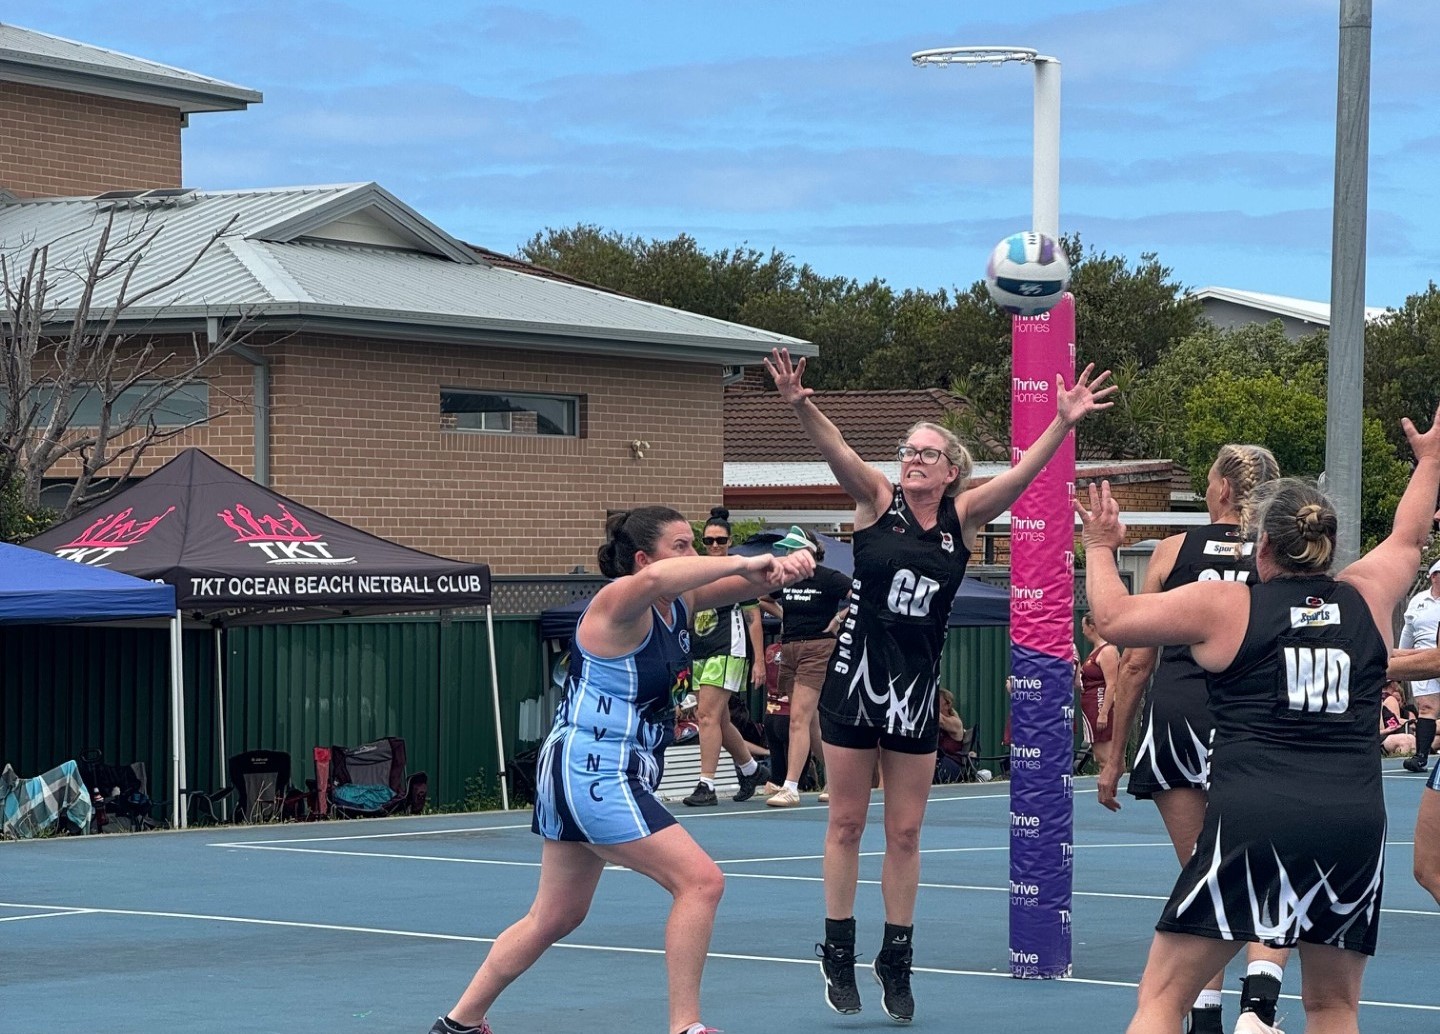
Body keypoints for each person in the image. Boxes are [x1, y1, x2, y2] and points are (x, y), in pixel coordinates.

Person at [765, 345, 1115, 1023]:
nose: (914, 458)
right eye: (909, 449)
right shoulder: (875, 502)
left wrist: (1064, 421)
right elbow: (836, 449)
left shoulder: (963, 518)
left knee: (905, 832)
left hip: (916, 692)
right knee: (845, 821)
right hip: (854, 682)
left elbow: (1025, 474)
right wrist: (800, 403)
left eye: (927, 451)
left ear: (951, 469)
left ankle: (896, 955)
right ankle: (838, 947)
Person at [1077, 401, 1440, 1034]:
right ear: (1326, 543)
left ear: (1261, 543)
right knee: (1333, 1007)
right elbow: (1409, 538)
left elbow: (1112, 622)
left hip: (1255, 819)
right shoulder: (1367, 597)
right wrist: (1431, 462)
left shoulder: (1229, 607)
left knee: (1162, 1000)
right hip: (1352, 824)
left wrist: (1102, 547)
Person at [427, 506, 814, 1034]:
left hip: (602, 769)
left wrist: (775, 568)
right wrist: (752, 565)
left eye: (694, 544)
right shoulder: (618, 603)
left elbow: (731, 582)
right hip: (594, 768)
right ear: (642, 558)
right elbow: (660, 577)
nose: (694, 555)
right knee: (701, 883)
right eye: (682, 546)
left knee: (555, 917)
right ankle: (686, 1027)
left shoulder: (681, 603)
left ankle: (458, 1024)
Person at [1097, 444, 1291, 1034]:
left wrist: (1112, 755)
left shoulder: (1174, 550)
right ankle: (1258, 1007)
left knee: (1201, 871)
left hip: (1182, 713)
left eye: (1208, 482)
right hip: (1254, 718)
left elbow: (1135, 663)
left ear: (1223, 492)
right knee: (1267, 867)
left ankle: (1202, 1012)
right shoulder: (1280, 556)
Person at [683, 506, 770, 806]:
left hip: (727, 650)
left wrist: (758, 660)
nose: (715, 546)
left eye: (720, 540)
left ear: (730, 541)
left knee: (705, 715)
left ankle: (706, 784)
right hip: (701, 650)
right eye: (709, 541)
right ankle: (750, 769)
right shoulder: (696, 572)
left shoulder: (739, 571)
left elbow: (753, 618)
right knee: (718, 719)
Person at [765, 526, 852, 808]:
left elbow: (861, 597)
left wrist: (838, 619)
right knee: (810, 719)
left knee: (798, 717)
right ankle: (836, 781)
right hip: (790, 648)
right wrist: (784, 615)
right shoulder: (787, 579)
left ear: (810, 552)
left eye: (794, 549)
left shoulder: (828, 578)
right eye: (787, 550)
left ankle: (790, 786)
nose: (788, 555)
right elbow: (763, 597)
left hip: (817, 647)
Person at [1397, 559, 1440, 771]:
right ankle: (1421, 756)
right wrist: (1401, 659)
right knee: (1426, 707)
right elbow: (1408, 630)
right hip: (1422, 659)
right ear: (1433, 576)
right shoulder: (1418, 600)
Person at [1078, 613, 1119, 772]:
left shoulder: (1107, 651)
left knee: (1105, 759)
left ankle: (1109, 792)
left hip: (1099, 704)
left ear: (1092, 627)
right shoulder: (1096, 651)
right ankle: (1106, 789)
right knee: (1099, 757)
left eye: (1084, 627)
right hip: (1090, 707)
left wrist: (1103, 713)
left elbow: (1112, 684)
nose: (1082, 631)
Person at [934, 689, 974, 784]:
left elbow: (941, 721)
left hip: (952, 764)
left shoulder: (955, 722)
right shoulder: (931, 724)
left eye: (936, 701)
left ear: (947, 705)